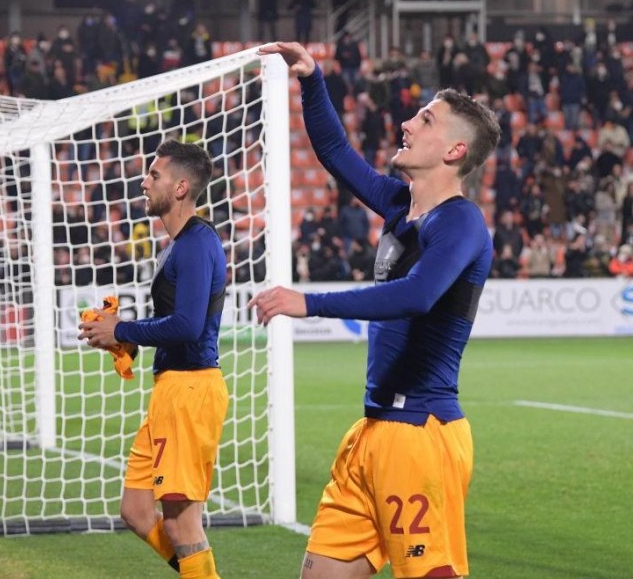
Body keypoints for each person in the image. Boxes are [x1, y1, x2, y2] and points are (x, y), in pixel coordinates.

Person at [253, 42, 500, 579]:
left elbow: (416, 295)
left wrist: (309, 302)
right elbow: (336, 154)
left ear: (455, 151)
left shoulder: (461, 223)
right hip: (373, 430)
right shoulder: (398, 204)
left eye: (424, 119)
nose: (407, 123)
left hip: (421, 433)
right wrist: (313, 80)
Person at [78, 140, 228, 579]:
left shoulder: (198, 243)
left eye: (154, 175)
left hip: (192, 390)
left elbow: (188, 326)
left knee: (183, 524)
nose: (144, 182)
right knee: (137, 509)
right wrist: (125, 341)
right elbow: (172, 328)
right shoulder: (175, 246)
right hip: (169, 389)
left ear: (181, 187)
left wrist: (122, 330)